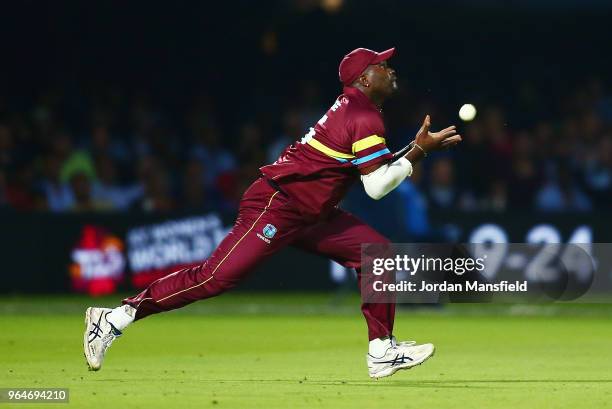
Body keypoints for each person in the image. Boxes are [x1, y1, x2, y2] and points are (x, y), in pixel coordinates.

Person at [83, 47, 462, 378]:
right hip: (277, 205)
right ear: (365, 78)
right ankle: (115, 318)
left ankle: (381, 350)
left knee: (376, 253)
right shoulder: (363, 115)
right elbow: (377, 187)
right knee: (214, 278)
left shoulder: (357, 109)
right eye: (382, 65)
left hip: (311, 212)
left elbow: (372, 171)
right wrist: (418, 153)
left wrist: (414, 149)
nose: (390, 69)